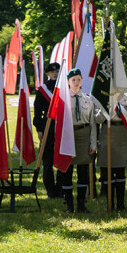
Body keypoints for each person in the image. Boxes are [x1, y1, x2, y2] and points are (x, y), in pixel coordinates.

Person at [58, 68, 99, 212]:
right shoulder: (63, 99)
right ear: (68, 82)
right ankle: (69, 204)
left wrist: (93, 143)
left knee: (83, 171)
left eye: (79, 80)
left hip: (83, 136)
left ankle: (81, 204)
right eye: (73, 80)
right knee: (67, 171)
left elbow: (92, 124)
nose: (76, 82)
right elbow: (58, 123)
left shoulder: (88, 99)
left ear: (82, 81)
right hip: (68, 136)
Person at [95, 89, 127, 212]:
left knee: (120, 171)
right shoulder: (103, 95)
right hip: (107, 133)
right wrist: (106, 106)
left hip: (123, 134)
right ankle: (110, 203)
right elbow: (98, 119)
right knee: (108, 171)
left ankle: (121, 204)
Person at [33, 62, 61, 198]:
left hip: (61, 125)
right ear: (48, 74)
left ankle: (61, 189)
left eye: (57, 71)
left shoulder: (64, 88)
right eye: (52, 72)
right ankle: (50, 190)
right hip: (47, 125)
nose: (55, 73)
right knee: (48, 160)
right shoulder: (42, 90)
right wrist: (39, 129)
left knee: (62, 157)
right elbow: (37, 111)